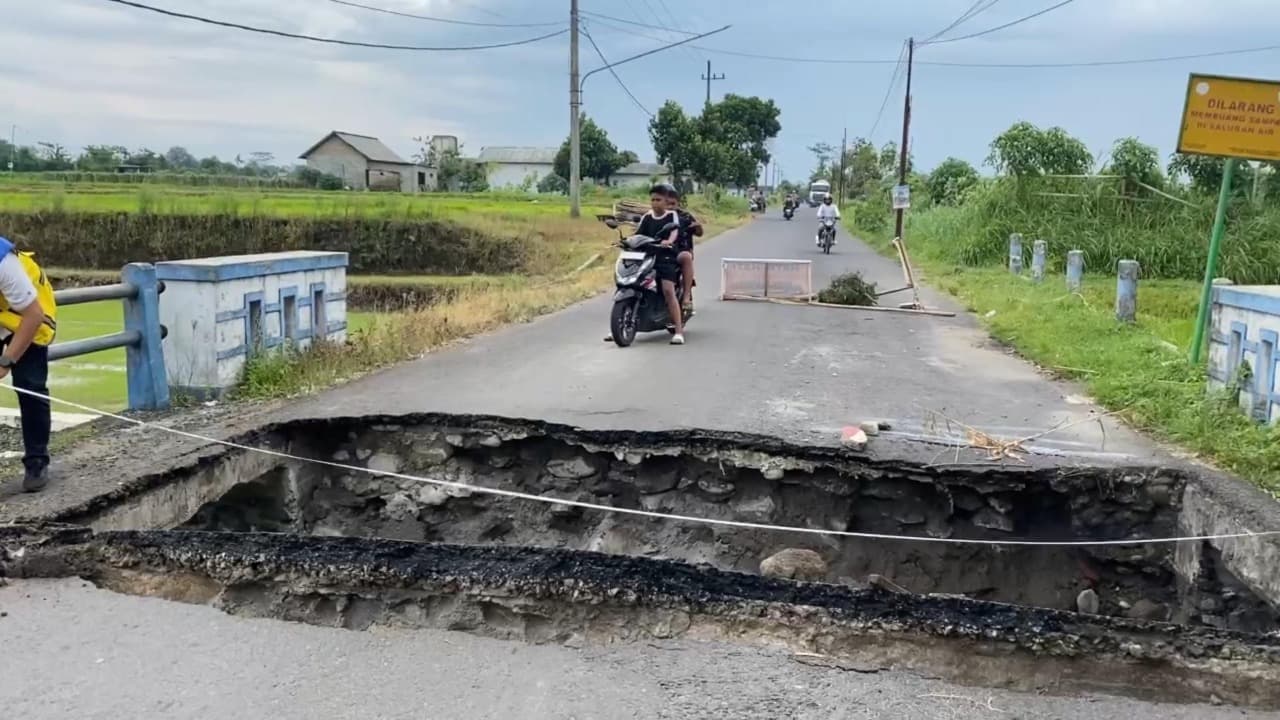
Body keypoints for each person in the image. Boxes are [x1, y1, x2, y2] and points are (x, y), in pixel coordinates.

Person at [0, 234, 57, 492]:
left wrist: (6, 360)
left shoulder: (4, 263)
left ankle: (36, 461)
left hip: (29, 316)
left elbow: (33, 316)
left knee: (29, 384)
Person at [634, 184, 686, 345]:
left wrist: (668, 242)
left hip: (666, 256)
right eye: (653, 200)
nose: (655, 203)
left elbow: (674, 232)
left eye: (658, 200)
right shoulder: (646, 217)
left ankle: (679, 331)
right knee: (630, 283)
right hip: (647, 256)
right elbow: (638, 235)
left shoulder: (671, 216)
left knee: (668, 290)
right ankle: (620, 324)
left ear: (666, 201)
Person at [666, 188, 701, 318]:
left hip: (681, 250)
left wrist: (697, 226)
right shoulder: (657, 215)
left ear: (678, 203)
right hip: (661, 250)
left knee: (686, 258)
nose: (670, 207)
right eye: (667, 203)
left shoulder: (685, 216)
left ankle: (686, 298)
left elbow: (699, 232)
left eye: (673, 204)